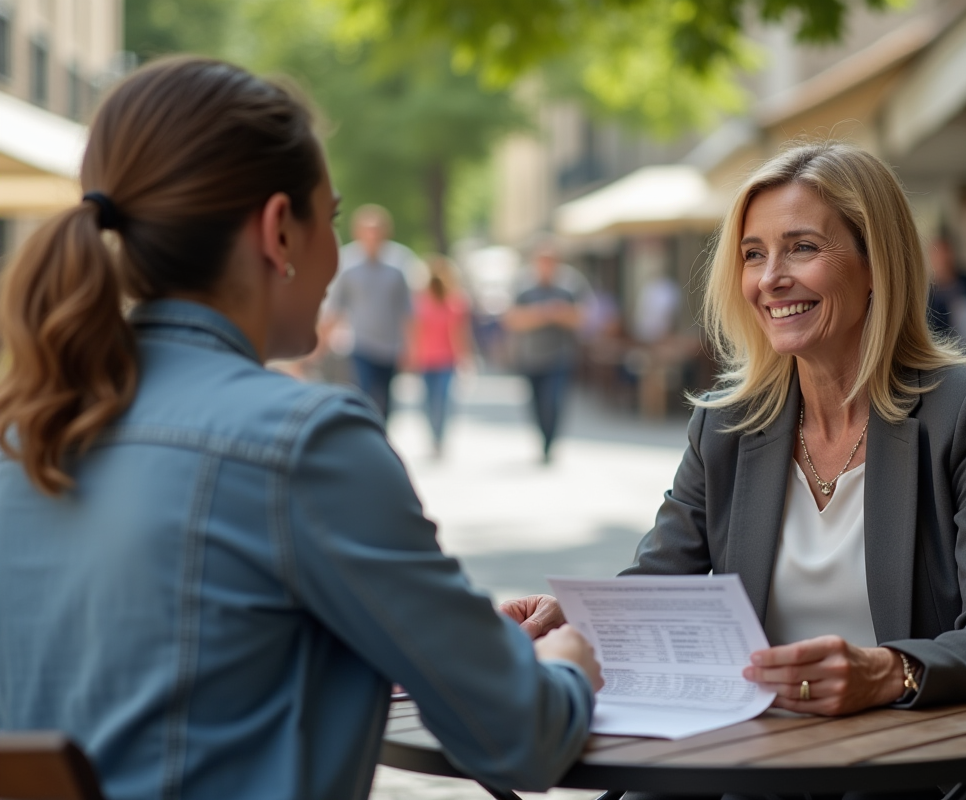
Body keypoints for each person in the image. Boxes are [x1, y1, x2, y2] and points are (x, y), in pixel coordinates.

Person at [0, 57, 601, 800]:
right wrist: (570, 662)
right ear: (279, 230)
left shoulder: (23, 431)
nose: (335, 258)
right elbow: (522, 738)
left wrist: (468, 642)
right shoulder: (305, 442)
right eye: (334, 218)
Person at [503, 142, 966, 799]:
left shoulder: (962, 410)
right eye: (753, 254)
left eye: (802, 248)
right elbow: (657, 587)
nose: (770, 279)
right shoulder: (727, 425)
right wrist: (575, 619)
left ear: (877, 262)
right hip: (767, 770)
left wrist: (889, 671)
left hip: (928, 772)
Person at [323, 204, 417, 418]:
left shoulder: (399, 263)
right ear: (358, 232)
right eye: (368, 230)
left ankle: (381, 437)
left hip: (391, 345)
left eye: (377, 230)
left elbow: (407, 310)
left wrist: (412, 349)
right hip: (361, 343)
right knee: (364, 394)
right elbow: (336, 306)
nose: (373, 235)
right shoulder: (347, 263)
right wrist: (322, 342)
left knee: (386, 400)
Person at [503, 238, 587, 463]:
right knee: (537, 404)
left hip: (560, 356)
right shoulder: (523, 285)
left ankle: (550, 443)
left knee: (554, 402)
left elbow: (581, 318)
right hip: (530, 357)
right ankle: (543, 439)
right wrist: (542, 314)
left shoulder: (570, 284)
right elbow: (512, 319)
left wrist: (560, 314)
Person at [408, 254, 473, 456]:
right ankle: (433, 437)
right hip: (427, 359)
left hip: (446, 360)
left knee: (442, 400)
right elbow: (415, 331)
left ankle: (439, 438)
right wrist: (412, 355)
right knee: (428, 401)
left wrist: (464, 358)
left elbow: (459, 334)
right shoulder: (421, 302)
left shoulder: (455, 302)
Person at [926, 231, 966, 352]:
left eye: (945, 252)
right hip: (941, 349)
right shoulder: (928, 292)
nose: (942, 258)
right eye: (937, 253)